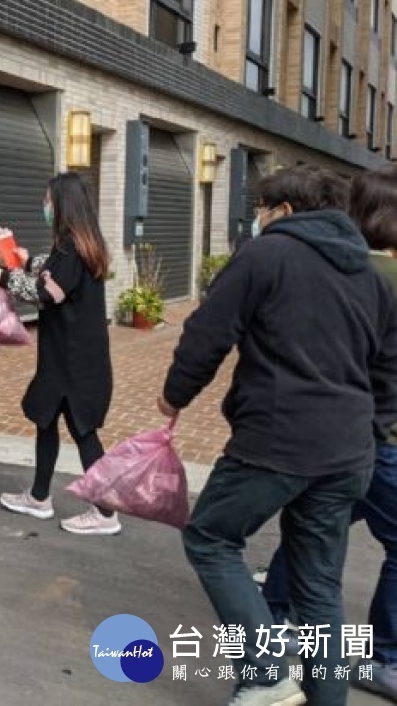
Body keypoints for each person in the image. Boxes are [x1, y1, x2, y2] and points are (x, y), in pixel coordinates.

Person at [158, 165, 397, 706]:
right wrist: (372, 428)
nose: (257, 219)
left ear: (284, 211)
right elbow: (387, 368)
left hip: (276, 439)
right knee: (319, 590)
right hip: (349, 450)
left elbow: (207, 334)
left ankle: (264, 674)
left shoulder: (265, 255)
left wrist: (174, 396)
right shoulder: (369, 271)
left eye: (261, 209)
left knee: (211, 537)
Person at [257, 165, 397, 701]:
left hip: (339, 433)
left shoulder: (337, 265)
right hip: (370, 439)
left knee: (315, 527)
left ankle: (273, 617)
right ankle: (382, 656)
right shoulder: (374, 274)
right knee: (317, 529)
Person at [0, 172, 119, 535]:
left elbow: (47, 292)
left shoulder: (71, 247)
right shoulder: (82, 244)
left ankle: (106, 513)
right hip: (73, 357)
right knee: (45, 418)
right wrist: (26, 258)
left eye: (48, 200)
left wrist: (2, 277)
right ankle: (38, 497)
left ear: (62, 204)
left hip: (72, 362)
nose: (45, 206)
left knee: (83, 432)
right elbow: (53, 273)